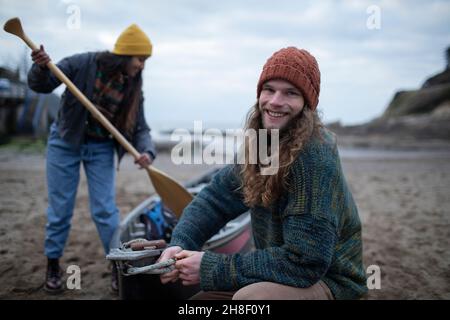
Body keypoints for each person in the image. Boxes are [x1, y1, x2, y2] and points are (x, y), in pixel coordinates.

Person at [158, 47, 368, 300]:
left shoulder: (314, 158)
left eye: (290, 93)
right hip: (281, 272)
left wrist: (209, 266)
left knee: (249, 300)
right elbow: (215, 200)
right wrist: (181, 243)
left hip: (330, 281)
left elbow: (305, 261)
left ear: (307, 103)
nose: (275, 101)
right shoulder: (262, 143)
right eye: (269, 89)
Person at [28, 24, 157, 293]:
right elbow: (42, 84)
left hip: (100, 148)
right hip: (65, 142)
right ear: (125, 55)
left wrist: (147, 151)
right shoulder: (82, 63)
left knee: (105, 211)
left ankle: (117, 266)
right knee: (60, 209)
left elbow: (140, 127)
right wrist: (41, 66)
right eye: (140, 59)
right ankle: (53, 264)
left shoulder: (133, 85)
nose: (142, 66)